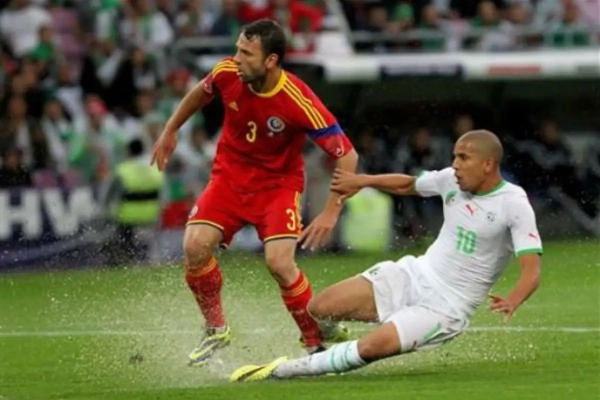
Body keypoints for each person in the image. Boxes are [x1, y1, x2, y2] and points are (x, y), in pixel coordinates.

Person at [230, 130, 542, 382]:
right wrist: (362, 180)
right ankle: (334, 336)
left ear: (488, 164)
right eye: (455, 156)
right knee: (319, 307)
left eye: (464, 157)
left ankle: (281, 371)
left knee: (370, 347)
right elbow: (408, 184)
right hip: (414, 274)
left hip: (446, 307)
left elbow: (532, 270)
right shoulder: (451, 180)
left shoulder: (513, 203)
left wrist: (513, 299)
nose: (455, 164)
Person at [150, 19, 359, 366]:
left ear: (271, 60)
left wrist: (330, 212)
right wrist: (171, 129)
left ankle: (314, 342)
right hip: (229, 180)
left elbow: (348, 155)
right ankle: (216, 329)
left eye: (246, 53)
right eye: (237, 49)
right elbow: (201, 93)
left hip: (277, 187)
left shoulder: (297, 99)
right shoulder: (227, 73)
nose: (237, 58)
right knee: (194, 246)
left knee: (279, 263)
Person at [104, 138, 164, 265]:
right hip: (151, 216)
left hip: (128, 217)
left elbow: (109, 195)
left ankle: (124, 260)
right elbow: (163, 193)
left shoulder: (123, 170)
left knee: (120, 241)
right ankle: (148, 259)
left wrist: (107, 211)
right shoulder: (155, 168)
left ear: (129, 152)